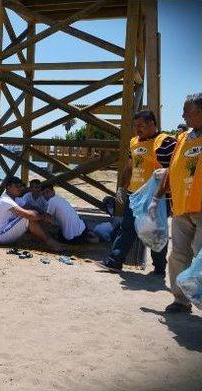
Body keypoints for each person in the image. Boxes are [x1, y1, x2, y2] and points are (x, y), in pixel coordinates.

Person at [97, 110, 177, 275]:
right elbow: (129, 166)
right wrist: (121, 187)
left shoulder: (165, 142)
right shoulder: (134, 142)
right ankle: (114, 262)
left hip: (157, 198)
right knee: (127, 228)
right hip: (135, 196)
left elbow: (171, 171)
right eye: (135, 126)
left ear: (152, 124)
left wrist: (163, 197)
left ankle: (159, 268)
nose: (137, 129)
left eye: (140, 126)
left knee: (156, 232)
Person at [150, 93, 202, 313]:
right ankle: (181, 300)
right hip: (181, 208)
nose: (182, 115)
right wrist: (157, 196)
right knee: (179, 256)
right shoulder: (182, 138)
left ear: (200, 112)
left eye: (186, 110)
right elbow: (172, 170)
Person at [0, 176, 63, 251]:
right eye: (16, 186)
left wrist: (45, 214)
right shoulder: (5, 200)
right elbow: (29, 215)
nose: (20, 188)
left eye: (20, 186)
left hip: (6, 231)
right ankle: (50, 241)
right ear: (8, 187)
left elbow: (31, 207)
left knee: (34, 213)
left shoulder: (16, 199)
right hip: (0, 236)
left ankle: (49, 238)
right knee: (28, 217)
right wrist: (44, 217)